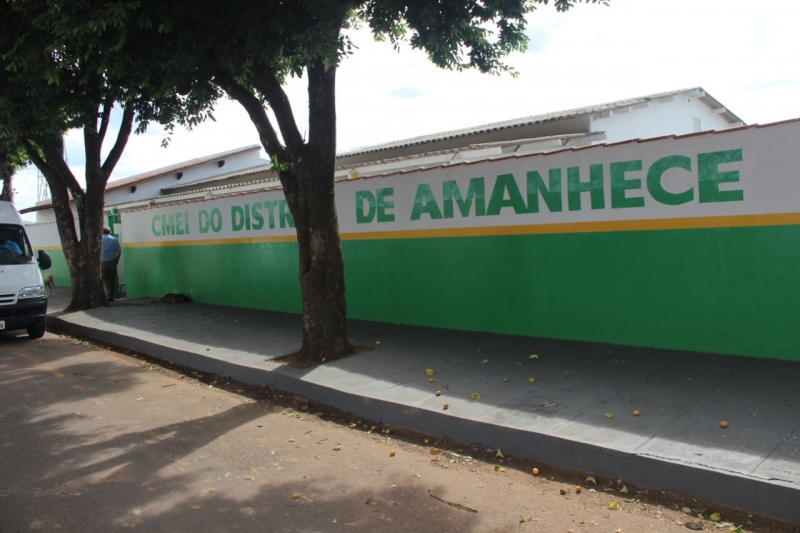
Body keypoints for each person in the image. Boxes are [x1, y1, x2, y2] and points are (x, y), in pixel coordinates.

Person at [101, 226, 122, 301]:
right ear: (110, 232)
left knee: (105, 279)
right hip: (113, 261)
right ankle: (111, 296)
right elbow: (119, 251)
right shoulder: (115, 239)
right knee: (112, 279)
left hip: (103, 262)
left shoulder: (100, 240)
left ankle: (107, 294)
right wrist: (117, 260)